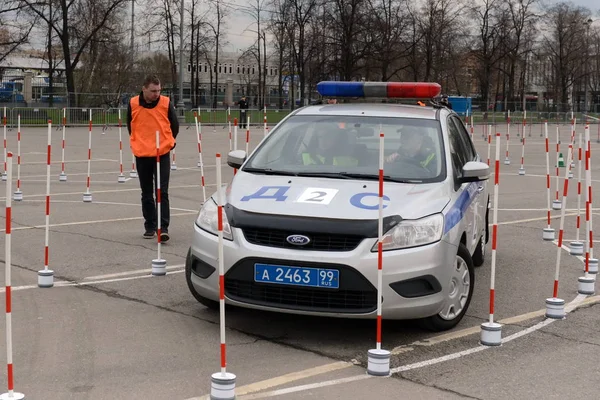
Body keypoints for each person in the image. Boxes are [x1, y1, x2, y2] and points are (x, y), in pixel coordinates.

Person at [127, 74, 179, 241]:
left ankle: (163, 227)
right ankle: (149, 226)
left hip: (162, 152)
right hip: (142, 153)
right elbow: (131, 125)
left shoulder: (165, 103)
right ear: (144, 89)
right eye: (153, 91)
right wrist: (139, 142)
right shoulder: (133, 103)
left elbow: (174, 125)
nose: (156, 94)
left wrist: (168, 142)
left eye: (158, 90)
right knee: (147, 192)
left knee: (162, 192)